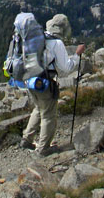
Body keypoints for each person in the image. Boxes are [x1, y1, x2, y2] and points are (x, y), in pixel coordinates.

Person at [20, 13, 85, 154]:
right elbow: (66, 68)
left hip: (30, 80)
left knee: (38, 108)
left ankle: (27, 139)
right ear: (62, 29)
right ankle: (44, 148)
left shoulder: (36, 37)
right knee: (49, 114)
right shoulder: (56, 43)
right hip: (44, 82)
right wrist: (77, 55)